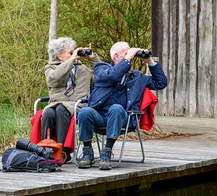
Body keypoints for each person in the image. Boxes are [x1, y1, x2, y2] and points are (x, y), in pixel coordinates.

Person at [76, 41, 167, 170]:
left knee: (116, 108)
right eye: (126, 53)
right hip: (99, 117)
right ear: (117, 56)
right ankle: (87, 151)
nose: (131, 56)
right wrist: (128, 58)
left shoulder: (136, 77)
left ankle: (107, 152)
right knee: (85, 112)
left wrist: (150, 61)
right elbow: (112, 76)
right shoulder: (102, 69)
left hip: (123, 117)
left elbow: (161, 83)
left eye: (130, 53)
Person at [41, 36, 101, 161]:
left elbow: (101, 77)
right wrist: (70, 62)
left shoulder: (83, 69)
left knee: (61, 110)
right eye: (70, 52)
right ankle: (45, 149)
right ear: (60, 56)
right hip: (56, 103)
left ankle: (63, 151)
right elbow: (53, 79)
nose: (75, 54)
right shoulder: (51, 68)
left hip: (77, 104)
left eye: (74, 51)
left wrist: (92, 57)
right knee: (48, 113)